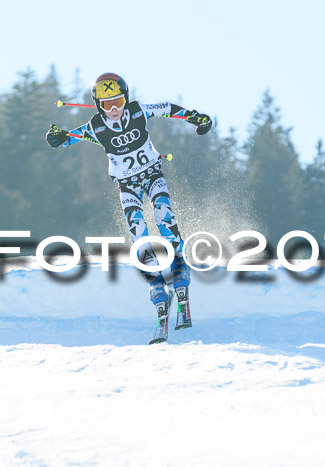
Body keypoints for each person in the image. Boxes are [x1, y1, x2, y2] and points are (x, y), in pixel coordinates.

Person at [45, 73, 212, 343]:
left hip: (152, 176)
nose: (114, 109)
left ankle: (180, 268)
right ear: (98, 105)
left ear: (127, 97)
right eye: (107, 104)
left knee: (164, 217)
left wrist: (194, 118)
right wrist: (57, 138)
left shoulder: (138, 112)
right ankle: (156, 285)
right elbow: (67, 138)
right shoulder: (95, 127)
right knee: (139, 234)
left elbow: (167, 109)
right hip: (127, 186)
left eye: (119, 101)